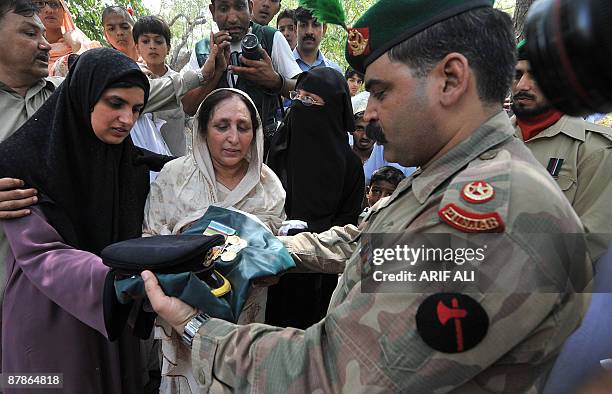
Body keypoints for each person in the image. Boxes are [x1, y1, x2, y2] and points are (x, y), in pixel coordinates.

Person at [142, 0, 592, 392]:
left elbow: (330, 374)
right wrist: (271, 248)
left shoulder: (488, 213)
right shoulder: (447, 178)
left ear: (451, 79)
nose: (368, 114)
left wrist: (195, 326)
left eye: (380, 90)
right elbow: (370, 242)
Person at [0, 0, 222, 311]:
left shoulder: (67, 93)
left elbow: (145, 91)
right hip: (21, 292)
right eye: (28, 33)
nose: (43, 42)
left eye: (134, 110)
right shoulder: (67, 106)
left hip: (88, 293)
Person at [0, 47, 155, 393]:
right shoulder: (23, 163)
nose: (127, 120)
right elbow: (39, 252)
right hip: (48, 315)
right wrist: (118, 282)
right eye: (115, 103)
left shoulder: (128, 164)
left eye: (136, 109)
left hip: (115, 315)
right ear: (83, 95)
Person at [143, 88, 285, 392]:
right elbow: (150, 240)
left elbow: (271, 253)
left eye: (243, 127)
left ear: (255, 132)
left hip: (244, 319)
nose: (233, 138)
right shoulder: (174, 177)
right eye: (222, 126)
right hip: (179, 315)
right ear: (203, 129)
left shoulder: (268, 186)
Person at [266, 67, 364, 329]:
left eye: (310, 100)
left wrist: (310, 234)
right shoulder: (278, 148)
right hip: (271, 271)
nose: (299, 104)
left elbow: (348, 230)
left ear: (332, 107)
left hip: (322, 276)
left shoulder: (351, 167)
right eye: (297, 97)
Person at [512, 39, 612, 262]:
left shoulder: (594, 150)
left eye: (536, 76)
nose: (521, 86)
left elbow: (589, 245)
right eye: (517, 75)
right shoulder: (486, 141)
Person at [181, 0, 301, 153]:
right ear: (212, 11)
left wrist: (276, 81)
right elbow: (189, 107)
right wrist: (216, 73)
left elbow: (304, 90)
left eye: (239, 7)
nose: (232, 18)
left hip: (264, 156)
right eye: (223, 9)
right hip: (218, 158)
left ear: (250, 7)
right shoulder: (203, 49)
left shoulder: (271, 38)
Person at [134, 15, 188, 156]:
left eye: (158, 41)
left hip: (175, 164)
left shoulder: (181, 82)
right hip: (143, 165)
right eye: (145, 41)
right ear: (137, 48)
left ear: (168, 48)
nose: (152, 46)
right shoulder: (133, 80)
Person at [351, 91, 415, 183]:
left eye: (371, 129)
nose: (365, 136)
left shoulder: (391, 154)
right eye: (359, 129)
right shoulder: (342, 154)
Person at [34, 0, 99, 76]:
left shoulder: (82, 41)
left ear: (64, 11)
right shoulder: (28, 49)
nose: (49, 10)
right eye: (40, 3)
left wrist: (76, 45)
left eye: (54, 4)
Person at [292, 7, 342, 74]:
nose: (309, 32)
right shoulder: (282, 66)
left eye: (315, 25)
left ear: (324, 29)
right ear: (295, 29)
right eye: (303, 25)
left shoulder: (335, 71)